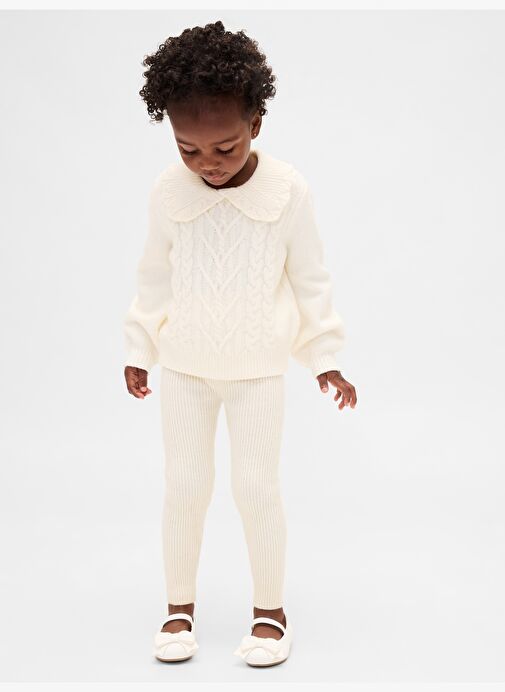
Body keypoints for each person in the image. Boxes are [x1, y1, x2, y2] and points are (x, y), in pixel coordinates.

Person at [123, 20, 357, 667]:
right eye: (188, 149)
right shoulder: (168, 193)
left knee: (256, 489)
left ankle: (269, 613)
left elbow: (310, 280)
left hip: (256, 372)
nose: (208, 163)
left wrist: (325, 359)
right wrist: (139, 349)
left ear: (256, 121)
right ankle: (178, 608)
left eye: (224, 147)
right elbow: (153, 277)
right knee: (184, 488)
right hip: (185, 371)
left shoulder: (288, 191)